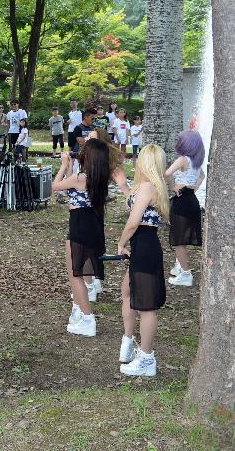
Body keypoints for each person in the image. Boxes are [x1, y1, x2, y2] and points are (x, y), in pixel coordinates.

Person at [117, 144, 170, 376]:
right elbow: (134, 201)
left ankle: (147, 358)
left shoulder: (149, 186)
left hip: (145, 246)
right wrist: (122, 185)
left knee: (146, 305)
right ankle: (128, 342)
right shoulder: (148, 186)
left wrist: (120, 244)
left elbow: (133, 222)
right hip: (143, 246)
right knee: (127, 291)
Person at [52, 138, 110, 338]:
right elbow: (72, 192)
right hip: (92, 225)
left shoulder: (81, 177)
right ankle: (79, 309)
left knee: (74, 274)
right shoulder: (97, 177)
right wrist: (70, 167)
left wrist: (63, 165)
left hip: (79, 225)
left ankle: (87, 318)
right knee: (82, 269)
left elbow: (55, 186)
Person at [165, 131, 205, 287]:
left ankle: (186, 274)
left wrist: (172, 186)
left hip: (181, 201)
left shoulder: (183, 159)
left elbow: (166, 173)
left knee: (179, 240)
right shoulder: (195, 160)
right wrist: (193, 189)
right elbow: (202, 176)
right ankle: (180, 267)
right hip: (191, 200)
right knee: (181, 237)